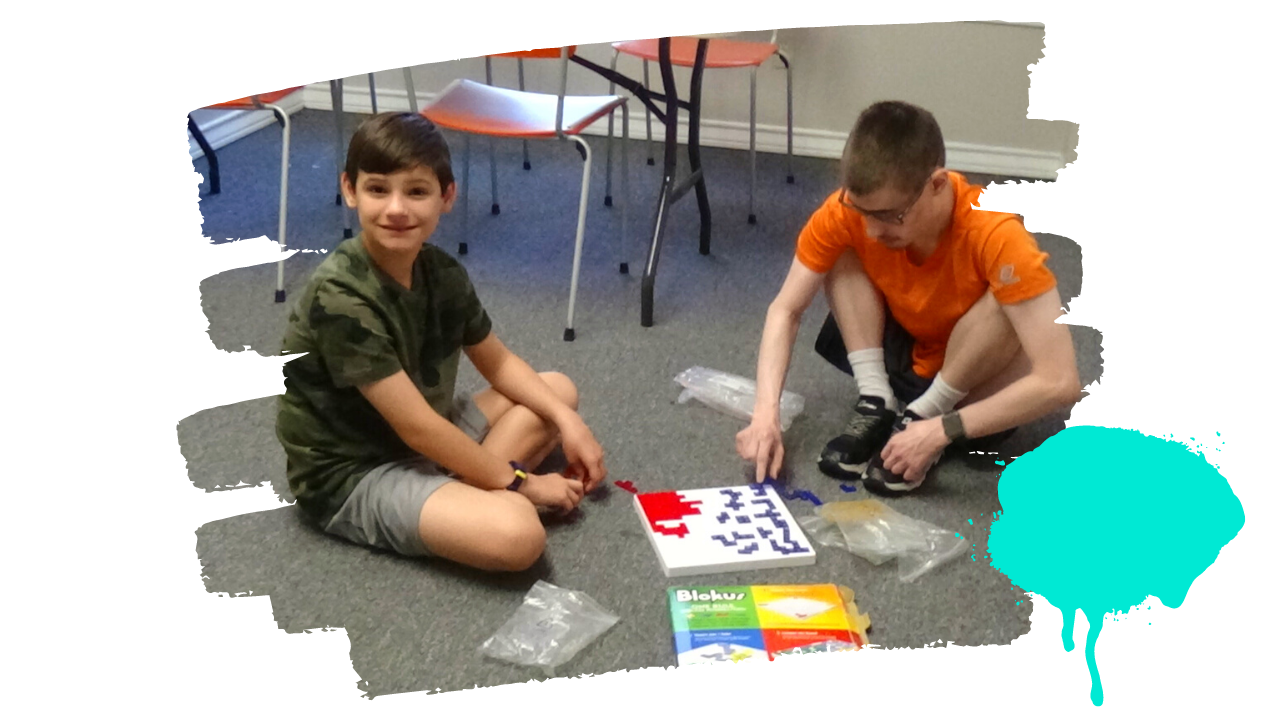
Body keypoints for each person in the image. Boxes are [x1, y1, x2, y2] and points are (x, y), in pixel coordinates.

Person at [276, 112, 607, 572]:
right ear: (350, 190)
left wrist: (569, 422)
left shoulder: (442, 271)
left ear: (446, 196)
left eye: (416, 191)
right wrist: (523, 484)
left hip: (421, 437)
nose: (396, 208)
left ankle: (463, 490)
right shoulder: (340, 297)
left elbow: (499, 364)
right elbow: (418, 428)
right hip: (356, 472)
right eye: (378, 190)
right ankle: (472, 494)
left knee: (557, 391)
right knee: (518, 535)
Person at [736, 100, 1081, 496]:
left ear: (937, 184)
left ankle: (926, 413)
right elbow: (785, 309)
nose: (872, 229)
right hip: (905, 354)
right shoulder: (849, 211)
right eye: (861, 211)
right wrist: (765, 416)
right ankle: (876, 400)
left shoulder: (995, 231)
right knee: (840, 247)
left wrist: (939, 430)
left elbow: (1060, 381)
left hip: (974, 385)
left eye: (889, 215)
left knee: (1008, 298)